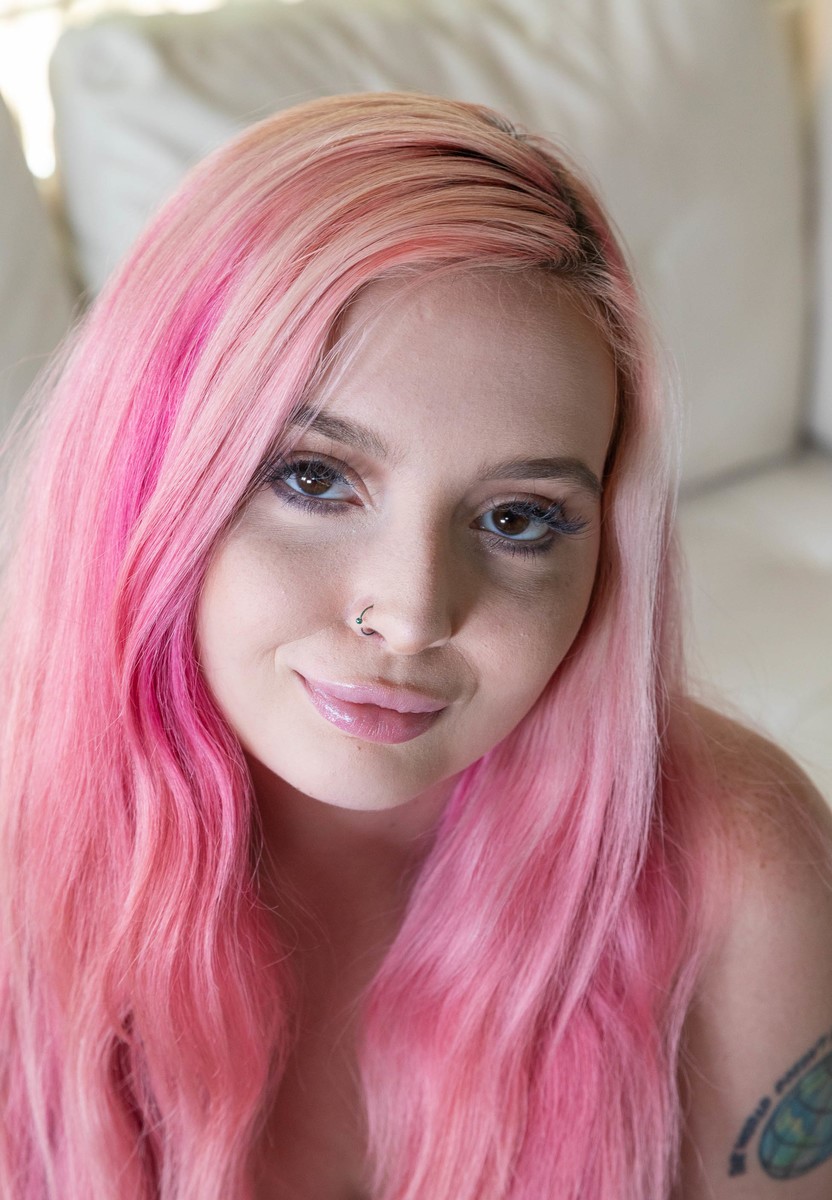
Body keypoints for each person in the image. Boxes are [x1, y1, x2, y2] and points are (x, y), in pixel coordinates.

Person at [0, 91, 830, 1200]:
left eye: (517, 519)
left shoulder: (737, 871)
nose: (412, 613)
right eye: (313, 478)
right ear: (145, 467)